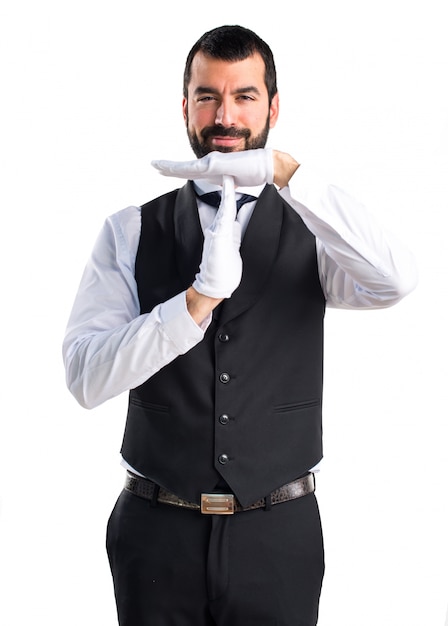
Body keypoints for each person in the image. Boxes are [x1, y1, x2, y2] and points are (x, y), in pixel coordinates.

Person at [62, 24, 417, 626]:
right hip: (155, 533)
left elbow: (394, 280)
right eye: (207, 96)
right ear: (185, 106)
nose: (224, 116)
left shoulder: (319, 232)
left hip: (279, 536)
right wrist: (195, 302)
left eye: (244, 96)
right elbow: (85, 378)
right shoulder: (128, 230)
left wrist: (289, 174)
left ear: (273, 107)